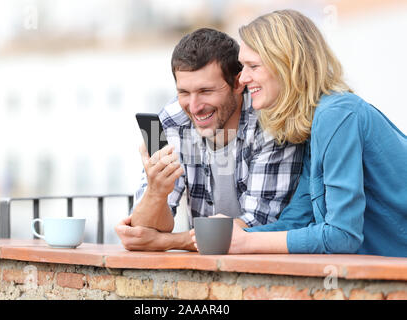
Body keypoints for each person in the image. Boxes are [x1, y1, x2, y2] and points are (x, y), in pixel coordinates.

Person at [191, 10, 407, 257]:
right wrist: (232, 236)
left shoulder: (337, 115)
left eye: (253, 66)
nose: (243, 78)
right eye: (242, 66)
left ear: (288, 65)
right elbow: (298, 219)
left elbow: (342, 235)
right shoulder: (314, 122)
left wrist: (247, 244)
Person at [115, 28, 304, 251]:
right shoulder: (166, 121)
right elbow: (142, 232)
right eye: (184, 92)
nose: (194, 107)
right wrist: (157, 192)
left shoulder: (271, 123)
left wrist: (170, 242)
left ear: (237, 83)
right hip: (207, 271)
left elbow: (258, 225)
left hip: (268, 269)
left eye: (205, 91)